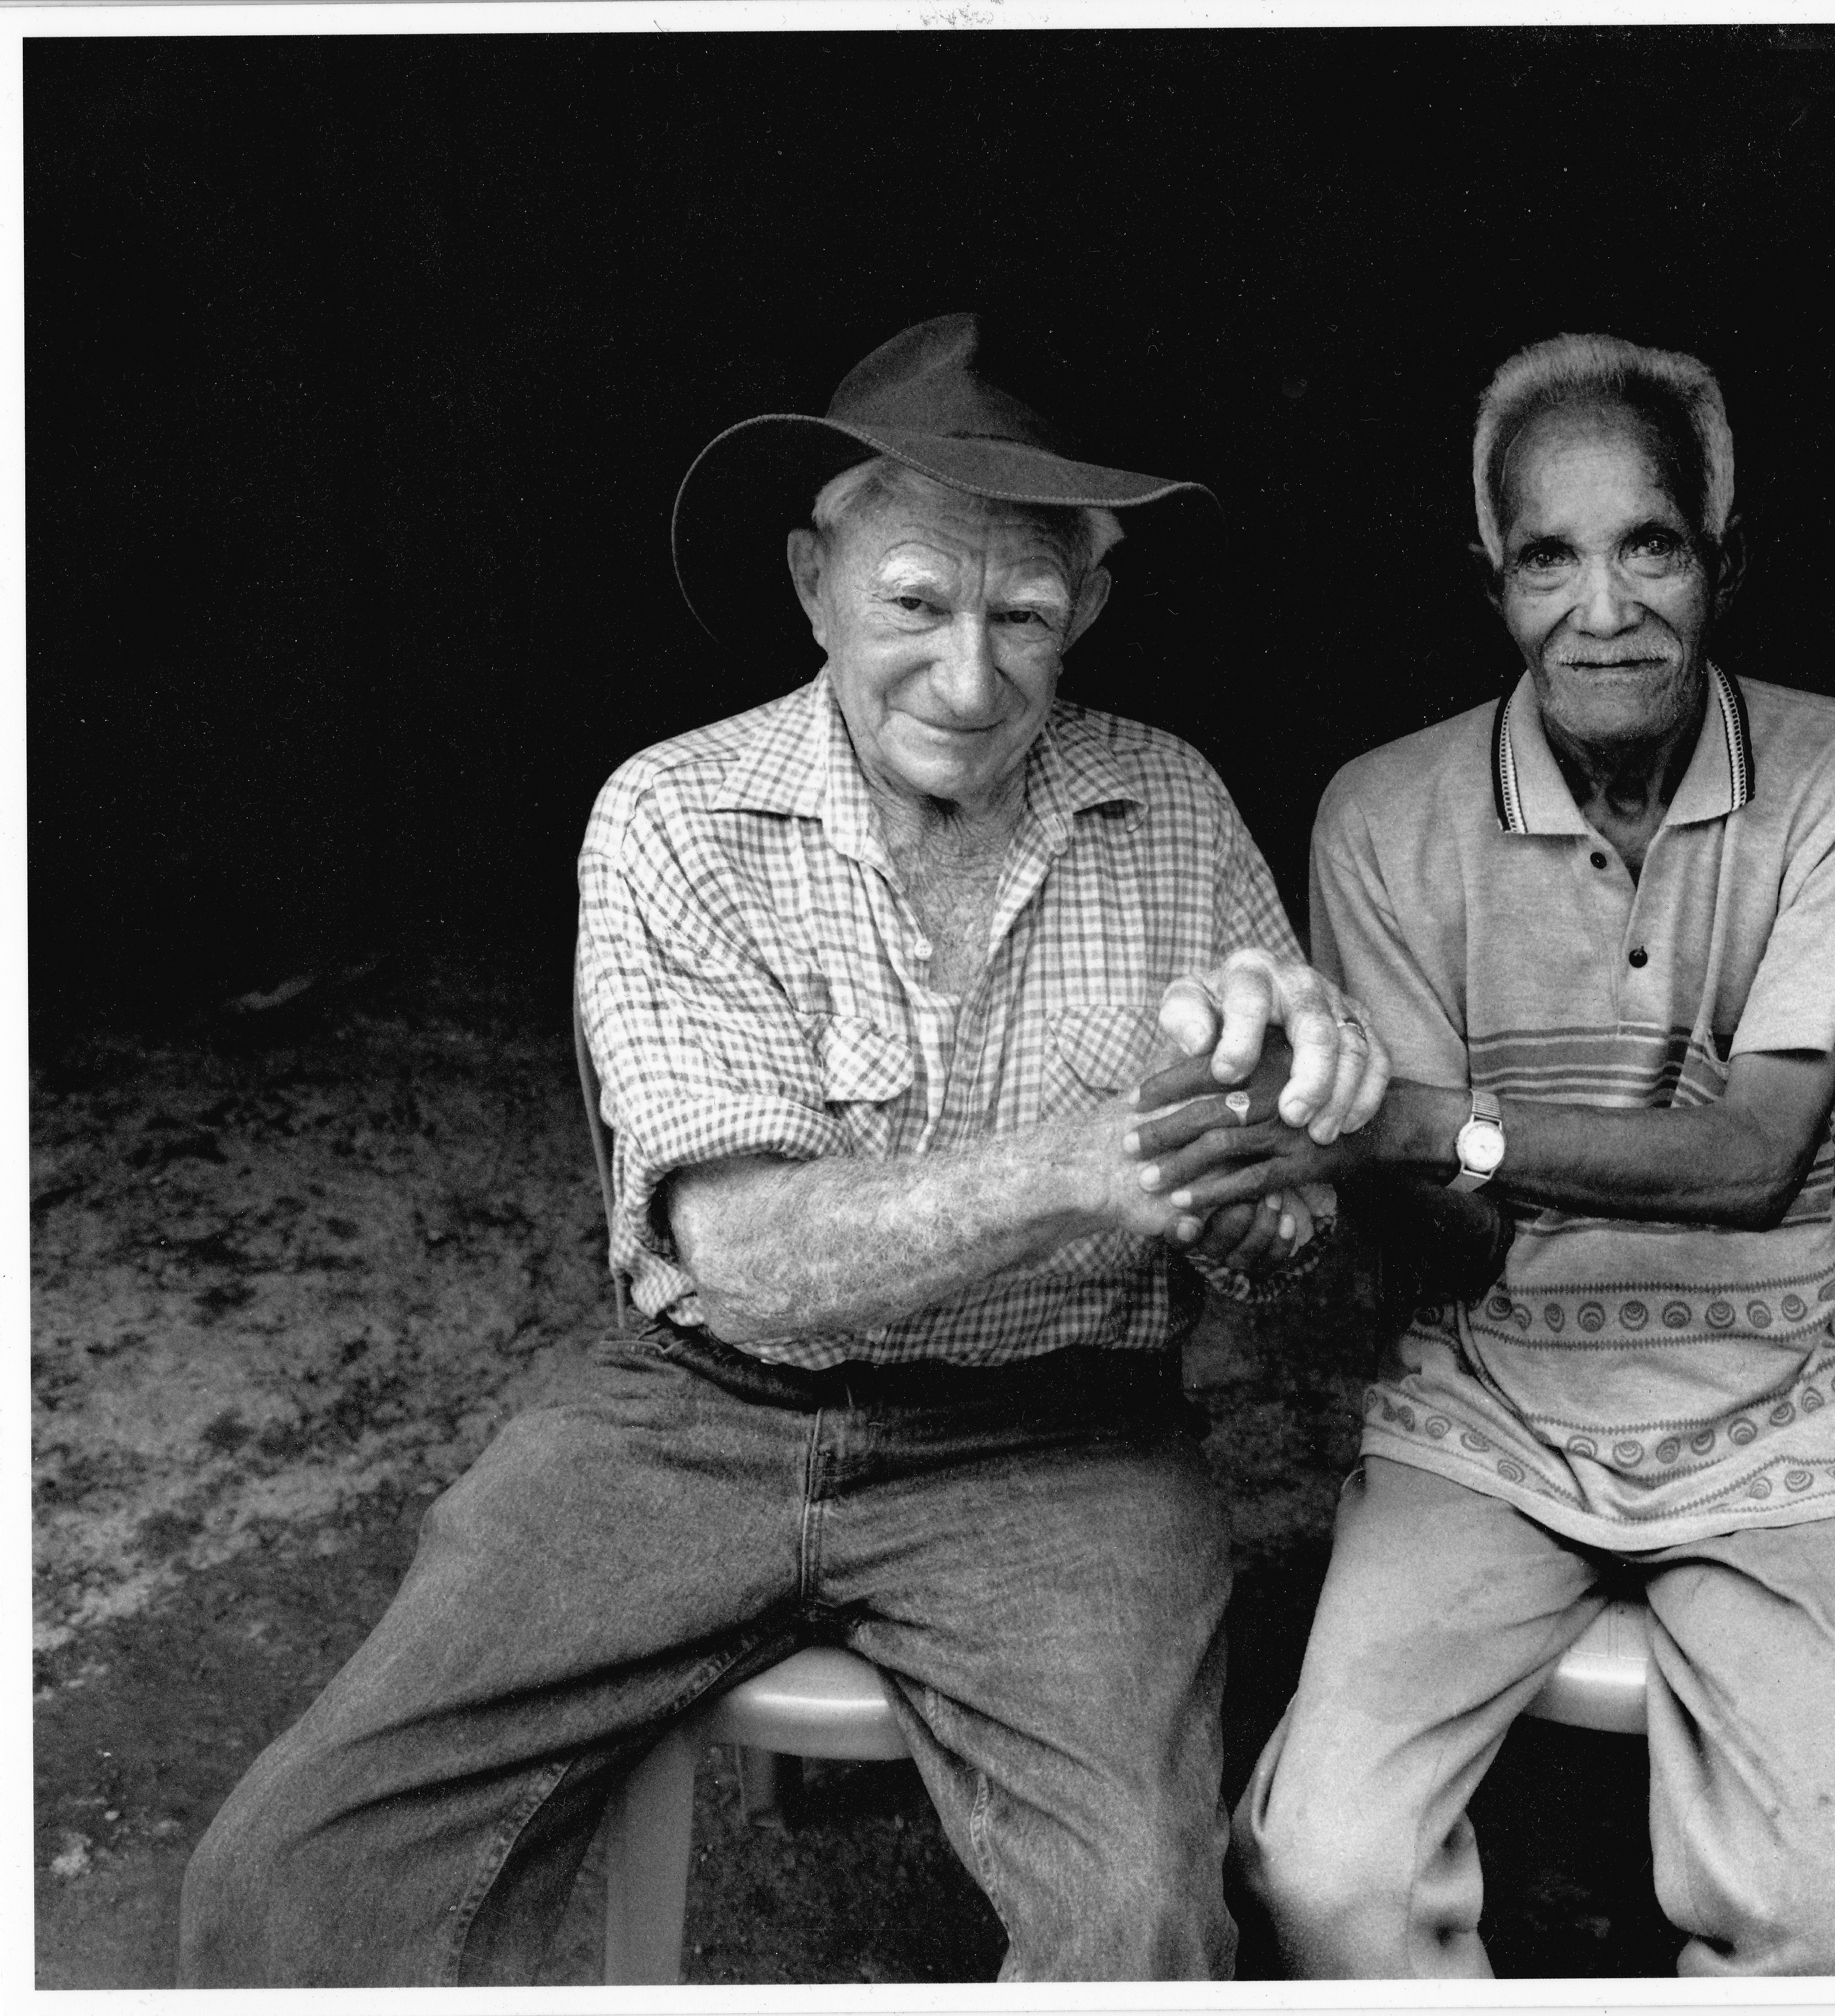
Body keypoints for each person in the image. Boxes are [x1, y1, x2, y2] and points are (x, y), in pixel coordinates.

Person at [177, 313, 1387, 1986]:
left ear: (1087, 609)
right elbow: (746, 1252)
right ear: (813, 579)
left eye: (1023, 616)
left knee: (1134, 1923)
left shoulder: (1167, 807)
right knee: (297, 1868)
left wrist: (1277, 1160)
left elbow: (1292, 1268)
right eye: (913, 604)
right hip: (694, 1417)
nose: (969, 680)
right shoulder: (674, 811)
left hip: (1056, 1449)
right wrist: (1088, 1165)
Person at [1128, 332, 1835, 1976]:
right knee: (1318, 1869)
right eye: (1547, 558)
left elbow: (1755, 1161)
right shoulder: (1382, 814)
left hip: (1798, 1400)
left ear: (1724, 558)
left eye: (1648, 544)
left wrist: (1435, 1125)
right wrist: (1342, 1156)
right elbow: (1440, 1233)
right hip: (1493, 1410)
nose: (1604, 608)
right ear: (1489, 582)